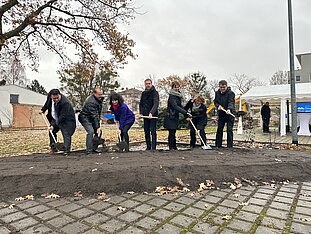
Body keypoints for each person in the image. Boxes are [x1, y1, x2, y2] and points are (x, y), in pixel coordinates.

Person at [41, 89, 76, 155]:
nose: (56, 100)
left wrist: (54, 125)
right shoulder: (50, 98)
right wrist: (43, 110)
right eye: (54, 98)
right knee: (52, 131)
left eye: (57, 98)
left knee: (66, 133)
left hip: (67, 119)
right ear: (51, 97)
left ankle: (66, 149)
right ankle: (53, 147)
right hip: (55, 117)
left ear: (60, 95)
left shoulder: (65, 103)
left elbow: (63, 116)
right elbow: (47, 104)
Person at [164, 81, 192, 150]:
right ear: (172, 87)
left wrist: (186, 113)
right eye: (175, 87)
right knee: (171, 132)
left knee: (173, 132)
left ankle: (174, 147)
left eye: (178, 87)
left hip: (174, 116)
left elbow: (180, 106)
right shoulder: (172, 96)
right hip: (170, 116)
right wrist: (185, 113)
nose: (177, 88)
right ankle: (171, 147)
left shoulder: (178, 96)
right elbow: (175, 106)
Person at [78, 88, 103, 154]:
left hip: (92, 117)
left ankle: (94, 148)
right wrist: (97, 126)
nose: (101, 96)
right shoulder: (91, 102)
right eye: (99, 94)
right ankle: (89, 150)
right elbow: (94, 115)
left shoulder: (99, 99)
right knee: (91, 131)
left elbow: (98, 112)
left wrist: (99, 122)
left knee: (98, 132)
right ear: (94, 94)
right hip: (85, 118)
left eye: (101, 94)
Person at [214, 80, 235, 148]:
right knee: (219, 129)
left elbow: (231, 102)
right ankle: (218, 145)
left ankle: (229, 146)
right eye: (221, 87)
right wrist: (218, 106)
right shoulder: (217, 93)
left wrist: (229, 109)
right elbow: (215, 101)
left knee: (229, 130)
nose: (222, 89)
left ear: (226, 86)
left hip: (229, 114)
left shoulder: (231, 93)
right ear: (219, 86)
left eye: (224, 87)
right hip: (221, 114)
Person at [139, 79, 160, 150]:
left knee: (153, 131)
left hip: (153, 115)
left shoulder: (155, 93)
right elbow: (141, 104)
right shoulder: (143, 93)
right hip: (145, 115)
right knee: (146, 131)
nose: (147, 85)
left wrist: (151, 112)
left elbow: (155, 104)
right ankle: (148, 146)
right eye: (146, 84)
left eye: (149, 84)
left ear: (151, 84)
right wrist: (141, 113)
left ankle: (153, 147)